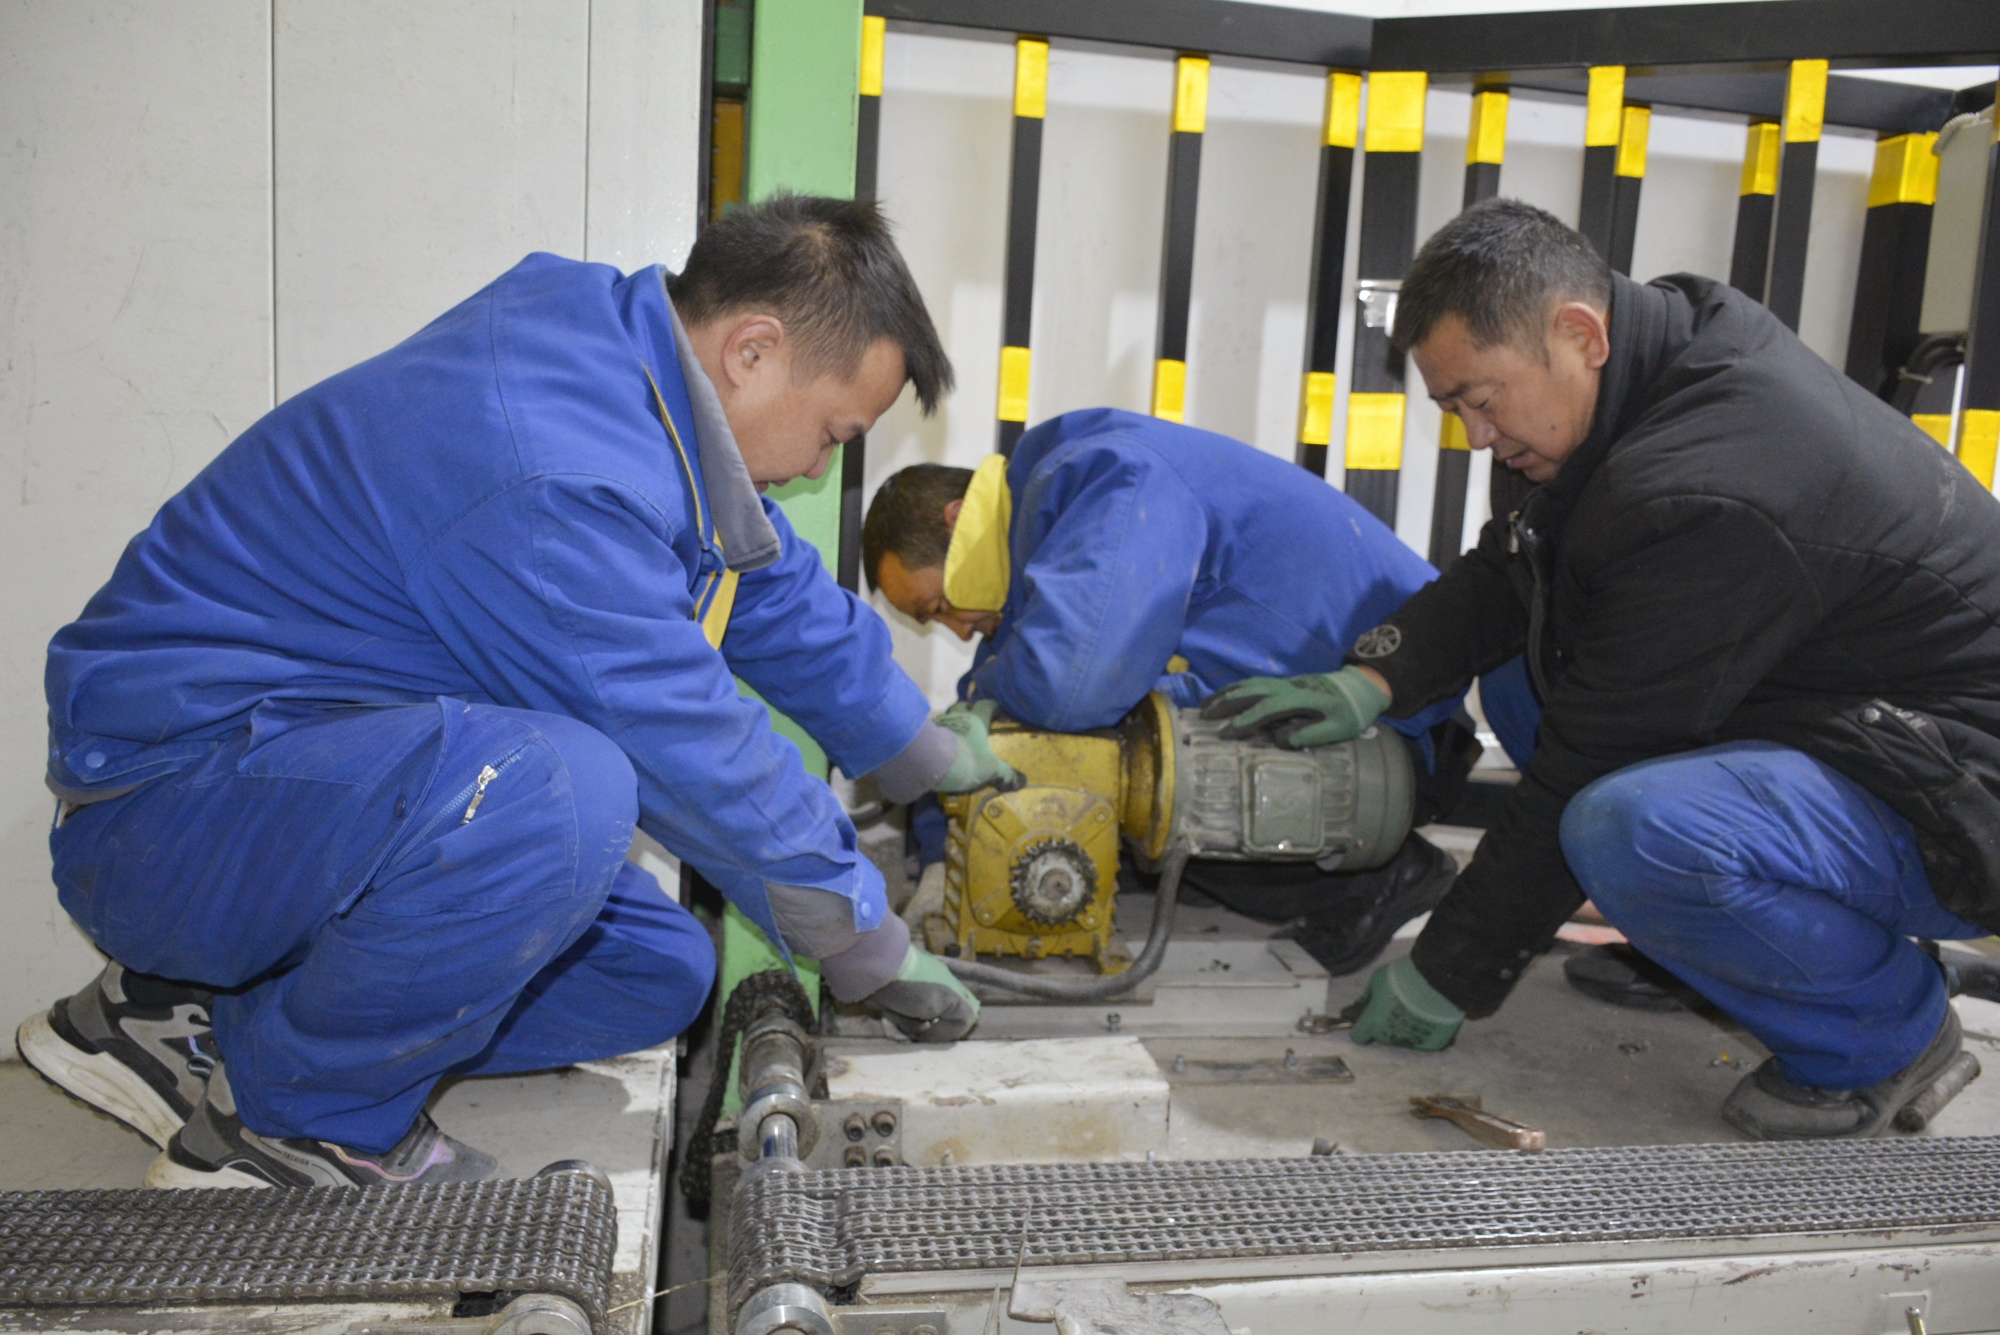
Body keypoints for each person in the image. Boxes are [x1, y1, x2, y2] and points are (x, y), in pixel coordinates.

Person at [20, 195, 1019, 1189]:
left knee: (658, 972)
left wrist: (922, 750)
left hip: (309, 790)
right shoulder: (551, 462)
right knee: (564, 792)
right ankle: (293, 1124)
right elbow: (686, 745)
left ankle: (179, 1019)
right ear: (752, 351)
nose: (817, 466)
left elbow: (767, 587)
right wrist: (864, 941)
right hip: (173, 810)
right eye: (835, 434)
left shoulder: (628, 387)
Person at [1204, 198, 2000, 1139]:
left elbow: (1590, 755)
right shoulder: (1647, 365)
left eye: (1481, 400)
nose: (1474, 436)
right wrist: (1373, 678)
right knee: (1526, 670)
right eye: (1452, 408)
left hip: (1954, 793)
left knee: (1629, 827)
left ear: (1579, 333)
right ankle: (1710, 943)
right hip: (1852, 716)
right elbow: (1516, 568)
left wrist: (1450, 971)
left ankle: (1884, 1035)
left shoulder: (1711, 485)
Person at [862, 409, 1506, 976]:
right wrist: (941, 861)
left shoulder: (1107, 478)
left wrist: (991, 709)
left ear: (959, 519)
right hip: (1359, 727)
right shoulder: (1046, 543)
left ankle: (1377, 883)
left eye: (938, 606)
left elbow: (1066, 689)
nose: (958, 629)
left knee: (1138, 779)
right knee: (1085, 777)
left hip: (1400, 730)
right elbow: (984, 713)